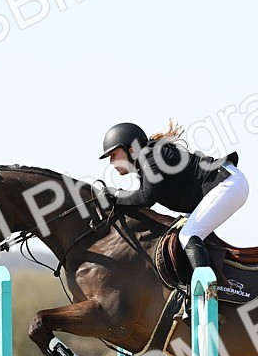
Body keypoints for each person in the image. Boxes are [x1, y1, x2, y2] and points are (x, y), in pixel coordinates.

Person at [99, 120, 248, 284]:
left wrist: (116, 194)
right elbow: (143, 200)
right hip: (223, 184)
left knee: (189, 234)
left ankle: (207, 292)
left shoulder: (152, 157)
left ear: (131, 149)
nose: (112, 163)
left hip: (227, 183)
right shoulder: (146, 163)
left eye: (113, 155)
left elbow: (146, 198)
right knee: (180, 235)